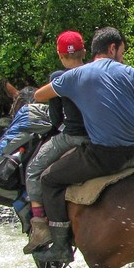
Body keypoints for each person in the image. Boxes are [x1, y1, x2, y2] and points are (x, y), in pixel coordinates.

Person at [30, 26, 134, 265]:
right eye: (122, 50)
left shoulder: (75, 76)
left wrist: (66, 88)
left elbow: (38, 96)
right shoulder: (131, 72)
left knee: (49, 179)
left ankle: (59, 246)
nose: (123, 56)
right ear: (112, 48)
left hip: (107, 156)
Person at [22, 30, 89, 253]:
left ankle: (40, 224)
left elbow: (56, 118)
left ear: (60, 56)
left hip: (72, 137)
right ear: (84, 52)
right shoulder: (96, 72)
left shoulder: (58, 78)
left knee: (33, 169)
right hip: (101, 137)